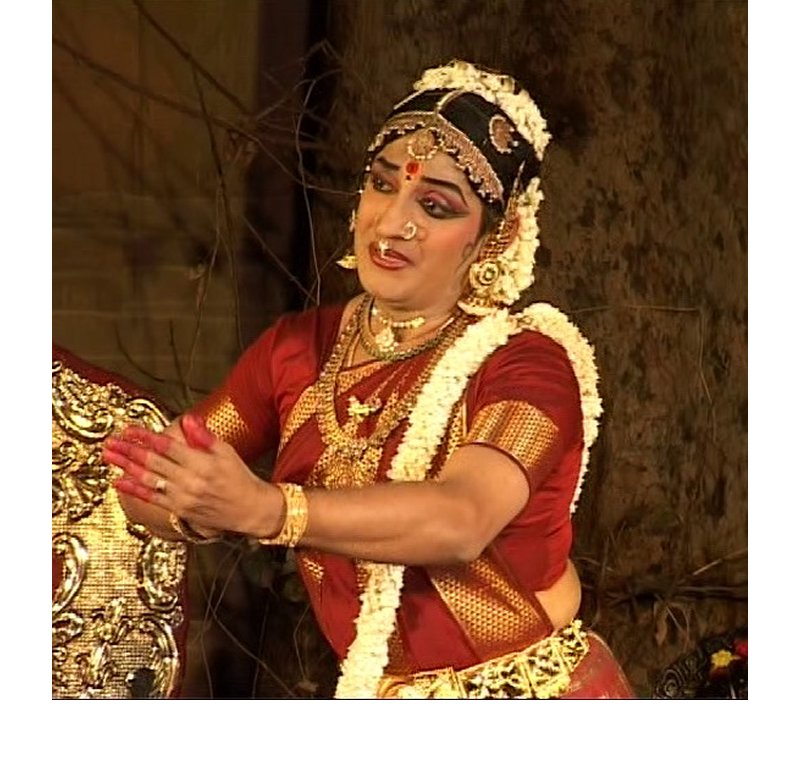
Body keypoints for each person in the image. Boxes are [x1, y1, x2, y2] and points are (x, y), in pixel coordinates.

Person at [102, 60, 634, 699]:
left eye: (435, 206)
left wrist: (269, 511)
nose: (391, 223)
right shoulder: (299, 350)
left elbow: (461, 520)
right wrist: (197, 504)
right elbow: (153, 481)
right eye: (382, 185)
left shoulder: (526, 364)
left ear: (494, 240)